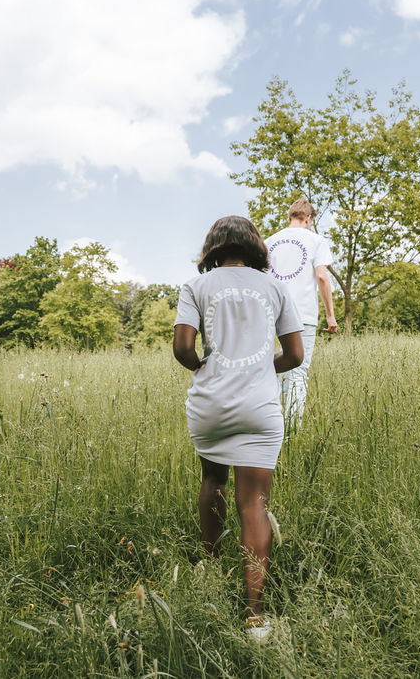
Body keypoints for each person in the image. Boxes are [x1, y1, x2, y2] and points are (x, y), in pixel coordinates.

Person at [173, 215, 304, 639]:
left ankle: (212, 573)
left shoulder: (196, 287)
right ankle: (256, 619)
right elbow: (296, 355)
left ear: (213, 246)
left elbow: (183, 348)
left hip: (211, 404)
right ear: (255, 247)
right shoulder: (277, 288)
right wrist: (266, 366)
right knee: (255, 505)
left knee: (213, 479)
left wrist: (203, 366)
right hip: (259, 405)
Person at [264, 197, 338, 423]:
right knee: (297, 371)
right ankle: (291, 432)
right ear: (308, 219)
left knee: (268, 370)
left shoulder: (269, 242)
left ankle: (270, 428)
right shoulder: (316, 240)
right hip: (301, 314)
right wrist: (330, 315)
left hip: (270, 313)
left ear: (289, 218)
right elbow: (322, 276)